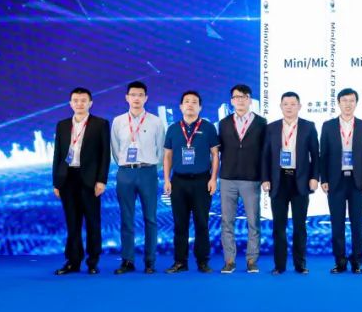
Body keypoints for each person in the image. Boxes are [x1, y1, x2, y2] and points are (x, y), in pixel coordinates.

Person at [52, 87, 111, 275]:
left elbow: (105, 155)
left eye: (83, 100)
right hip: (67, 179)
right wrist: (56, 182)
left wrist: (101, 180)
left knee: (93, 222)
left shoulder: (100, 124)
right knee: (72, 223)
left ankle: (93, 262)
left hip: (90, 180)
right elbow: (57, 155)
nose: (79, 104)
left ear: (90, 103)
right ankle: (73, 261)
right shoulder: (62, 125)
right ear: (70, 103)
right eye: (75, 100)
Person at [110, 81, 165, 274]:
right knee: (126, 218)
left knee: (151, 218)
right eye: (133, 95)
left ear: (146, 98)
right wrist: (126, 164)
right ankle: (127, 261)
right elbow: (115, 150)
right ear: (127, 98)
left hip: (148, 172)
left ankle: (150, 261)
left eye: (140, 95)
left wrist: (152, 167)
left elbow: (161, 150)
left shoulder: (156, 121)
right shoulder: (118, 121)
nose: (136, 98)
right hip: (125, 172)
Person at [261, 92, 319, 274]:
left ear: (299, 106)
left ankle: (300, 264)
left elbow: (315, 155)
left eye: (293, 104)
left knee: (300, 226)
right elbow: (265, 156)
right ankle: (279, 265)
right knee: (279, 227)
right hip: (278, 181)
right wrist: (265, 178)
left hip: (300, 181)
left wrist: (314, 177)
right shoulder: (271, 128)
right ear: (280, 106)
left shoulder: (308, 127)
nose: (289, 107)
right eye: (285, 104)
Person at [163, 91, 219, 275]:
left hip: (202, 181)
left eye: (194, 102)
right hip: (179, 182)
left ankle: (203, 261)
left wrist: (213, 178)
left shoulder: (208, 128)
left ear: (200, 107)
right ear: (180, 107)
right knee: (180, 224)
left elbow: (215, 155)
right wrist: (167, 179)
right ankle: (180, 262)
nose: (190, 104)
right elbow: (167, 156)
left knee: (202, 223)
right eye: (186, 101)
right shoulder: (173, 129)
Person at [319, 88, 362, 274]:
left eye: (352, 101)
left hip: (358, 182)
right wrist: (324, 178)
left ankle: (357, 261)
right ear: (338, 103)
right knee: (337, 223)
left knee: (357, 224)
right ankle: (340, 261)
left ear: (356, 103)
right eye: (344, 100)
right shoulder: (328, 126)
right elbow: (323, 154)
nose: (348, 104)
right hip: (336, 181)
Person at [217, 84, 267, 274]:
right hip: (228, 178)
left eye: (243, 97)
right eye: (236, 97)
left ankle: (252, 260)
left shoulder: (261, 123)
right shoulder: (224, 123)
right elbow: (219, 151)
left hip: (251, 179)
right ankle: (229, 261)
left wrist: (265, 177)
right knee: (227, 222)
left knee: (253, 222)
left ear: (249, 100)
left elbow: (265, 153)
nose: (240, 100)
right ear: (231, 101)